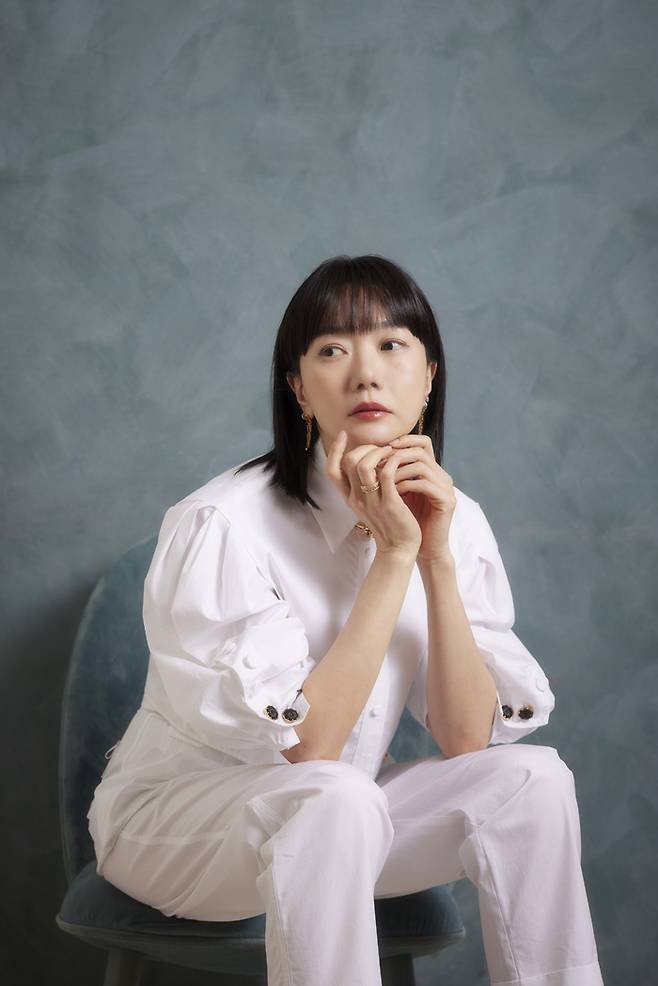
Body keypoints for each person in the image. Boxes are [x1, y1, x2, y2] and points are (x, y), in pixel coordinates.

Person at [87, 254, 604, 985]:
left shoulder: (455, 516)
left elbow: (466, 738)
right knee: (333, 794)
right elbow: (309, 749)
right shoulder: (222, 523)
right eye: (333, 350)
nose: (366, 375)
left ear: (429, 376)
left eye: (392, 345)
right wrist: (392, 556)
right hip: (177, 831)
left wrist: (434, 556)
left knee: (533, 779)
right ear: (299, 388)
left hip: (341, 819)